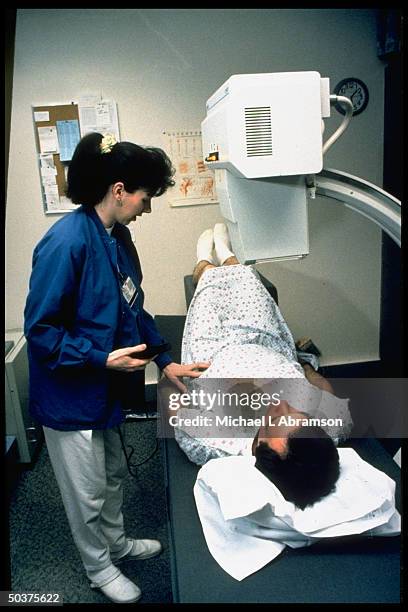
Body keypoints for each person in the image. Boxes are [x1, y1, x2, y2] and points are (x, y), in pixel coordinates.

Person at [23, 132, 209, 604]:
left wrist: (166, 361)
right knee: (84, 492)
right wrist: (99, 357)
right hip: (70, 396)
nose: (147, 208)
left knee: (112, 476)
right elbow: (40, 332)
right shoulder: (65, 243)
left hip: (106, 390)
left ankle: (117, 543)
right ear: (120, 189)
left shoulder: (118, 237)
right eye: (146, 197)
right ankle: (98, 568)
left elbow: (133, 308)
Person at [169, 223, 353, 509]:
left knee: (208, 291)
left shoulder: (219, 443)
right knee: (247, 279)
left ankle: (203, 261)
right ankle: (228, 255)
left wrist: (184, 384)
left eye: (278, 420)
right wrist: (307, 370)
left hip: (214, 350)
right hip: (269, 344)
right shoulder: (325, 431)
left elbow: (176, 410)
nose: (281, 404)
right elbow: (332, 400)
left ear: (265, 451)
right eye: (297, 412)